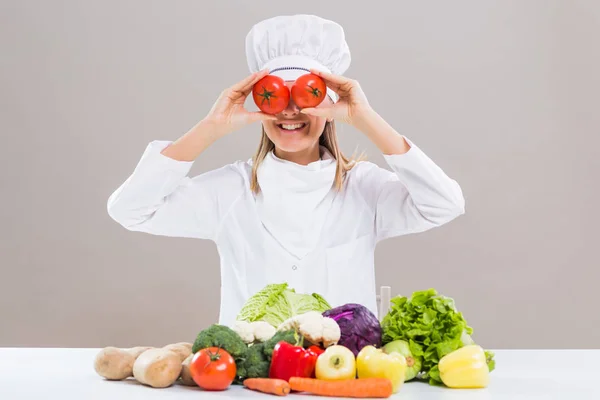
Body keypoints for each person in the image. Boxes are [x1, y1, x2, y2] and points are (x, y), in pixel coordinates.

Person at [107, 15, 465, 326]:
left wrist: (365, 118)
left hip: (340, 379)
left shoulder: (364, 188)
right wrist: (211, 126)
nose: (289, 111)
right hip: (250, 381)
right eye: (276, 95)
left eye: (306, 96)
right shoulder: (230, 190)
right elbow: (130, 210)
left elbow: (444, 204)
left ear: (328, 105)